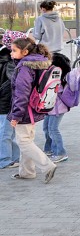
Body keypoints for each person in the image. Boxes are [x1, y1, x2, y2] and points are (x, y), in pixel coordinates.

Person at [7, 37, 57, 183]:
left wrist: (16, 115)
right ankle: (27, 172)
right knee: (27, 140)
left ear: (25, 51)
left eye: (14, 50)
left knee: (23, 142)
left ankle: (47, 166)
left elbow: (21, 94)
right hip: (34, 108)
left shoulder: (24, 67)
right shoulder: (37, 63)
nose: (11, 53)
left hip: (24, 110)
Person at [0, 31, 26, 170]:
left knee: (11, 132)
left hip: (8, 102)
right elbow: (10, 82)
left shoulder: (9, 57)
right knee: (6, 132)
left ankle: (15, 158)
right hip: (7, 102)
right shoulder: (9, 59)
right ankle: (4, 160)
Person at [42, 53, 72, 164]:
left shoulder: (59, 79)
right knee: (46, 128)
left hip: (57, 109)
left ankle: (60, 152)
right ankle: (49, 149)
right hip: (50, 108)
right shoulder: (54, 76)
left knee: (53, 129)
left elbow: (54, 92)